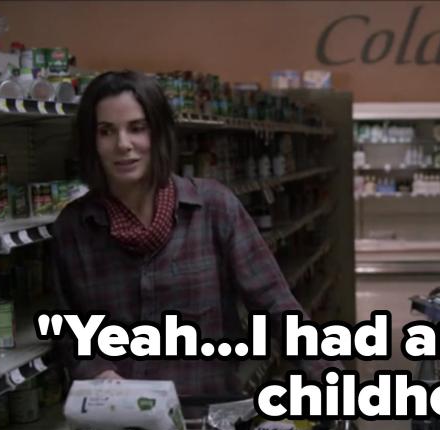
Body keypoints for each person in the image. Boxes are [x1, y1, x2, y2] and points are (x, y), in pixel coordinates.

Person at [51, 70, 336, 397]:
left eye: (137, 128)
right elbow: (70, 329)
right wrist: (97, 370)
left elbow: (275, 303)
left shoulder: (214, 207)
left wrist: (326, 377)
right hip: (119, 426)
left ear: (159, 133)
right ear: (92, 142)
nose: (123, 144)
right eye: (106, 131)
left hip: (207, 426)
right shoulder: (75, 228)